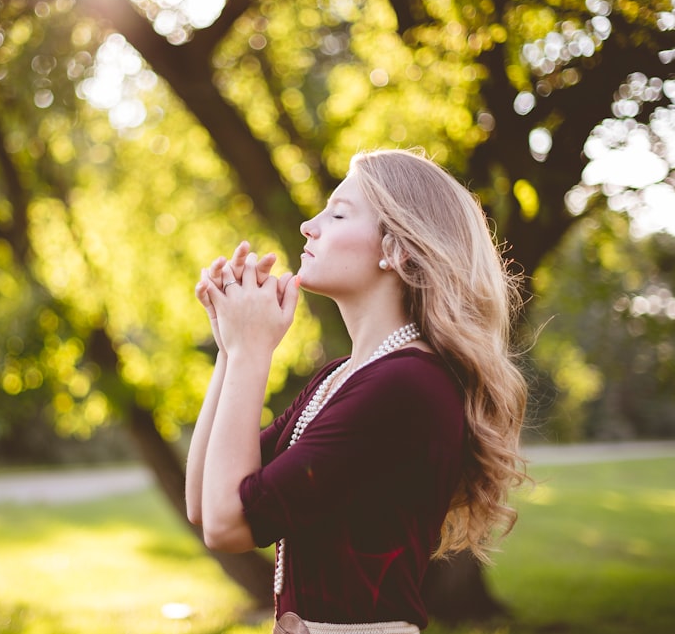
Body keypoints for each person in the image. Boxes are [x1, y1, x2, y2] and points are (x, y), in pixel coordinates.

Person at [185, 148, 528, 634]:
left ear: (397, 249)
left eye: (338, 213)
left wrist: (251, 353)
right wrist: (230, 346)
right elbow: (204, 502)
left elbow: (228, 526)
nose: (309, 224)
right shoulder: (343, 377)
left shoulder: (405, 386)